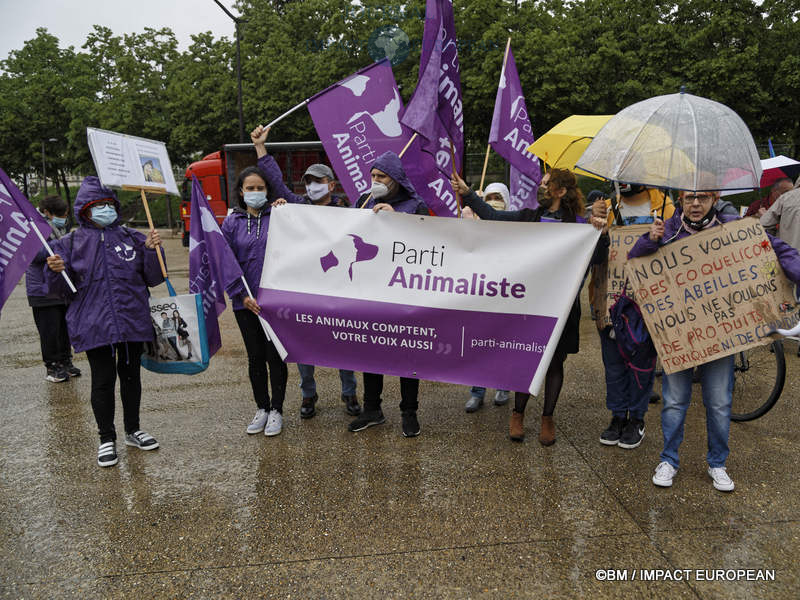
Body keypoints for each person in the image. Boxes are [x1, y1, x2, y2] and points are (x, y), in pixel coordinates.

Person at [630, 188, 800, 491]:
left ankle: (718, 463)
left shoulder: (734, 228)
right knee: (674, 402)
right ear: (681, 199)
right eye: (689, 197)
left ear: (715, 199)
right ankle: (669, 460)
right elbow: (635, 264)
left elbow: (777, 249)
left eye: (703, 197)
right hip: (680, 336)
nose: (696, 203)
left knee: (720, 403)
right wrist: (649, 241)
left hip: (721, 335)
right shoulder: (666, 231)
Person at [451, 168, 610, 445]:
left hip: (563, 307)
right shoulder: (528, 218)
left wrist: (602, 233)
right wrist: (468, 194)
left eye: (547, 184)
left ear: (561, 191)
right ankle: (518, 414)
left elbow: (597, 257)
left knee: (555, 363)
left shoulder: (580, 226)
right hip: (531, 307)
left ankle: (548, 418)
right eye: (541, 183)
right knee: (528, 360)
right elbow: (494, 217)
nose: (541, 187)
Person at [44, 176, 164, 467]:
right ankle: (106, 438)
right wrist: (55, 271)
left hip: (132, 320)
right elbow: (59, 291)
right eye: (98, 205)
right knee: (102, 381)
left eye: (109, 204)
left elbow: (153, 277)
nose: (105, 209)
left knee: (132, 378)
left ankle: (133, 430)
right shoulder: (69, 243)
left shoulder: (132, 237)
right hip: (95, 324)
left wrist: (152, 251)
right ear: (85, 209)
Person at [249, 125, 360, 419]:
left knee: (343, 344)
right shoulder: (297, 206)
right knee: (304, 345)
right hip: (306, 290)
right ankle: (308, 394)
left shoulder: (350, 212)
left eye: (318, 181)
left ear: (331, 185)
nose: (312, 186)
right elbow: (276, 182)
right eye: (308, 182)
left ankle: (349, 393)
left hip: (339, 289)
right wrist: (260, 147)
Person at [347, 151, 430, 438]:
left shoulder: (415, 205)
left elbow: (427, 243)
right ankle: (372, 409)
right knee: (371, 350)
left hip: (405, 291)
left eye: (381, 176)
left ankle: (409, 411)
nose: (375, 181)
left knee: (408, 353)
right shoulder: (364, 201)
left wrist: (398, 220)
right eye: (373, 176)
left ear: (395, 179)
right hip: (372, 289)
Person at [591, 185, 675, 448]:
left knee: (642, 366)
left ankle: (636, 418)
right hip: (609, 299)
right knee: (613, 366)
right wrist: (593, 222)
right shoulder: (605, 208)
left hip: (646, 302)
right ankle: (617, 416)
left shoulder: (665, 208)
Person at [221, 161, 295, 437]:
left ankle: (277, 409)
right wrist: (241, 296)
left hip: (274, 304)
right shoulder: (231, 223)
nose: (255, 192)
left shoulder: (279, 216)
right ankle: (262, 407)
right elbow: (225, 262)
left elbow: (295, 251)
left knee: (275, 356)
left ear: (267, 190)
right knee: (255, 357)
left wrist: (287, 209)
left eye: (260, 188)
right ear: (241, 192)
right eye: (250, 188)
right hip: (245, 303)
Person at [463, 182, 510, 412]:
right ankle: (477, 392)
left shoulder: (515, 227)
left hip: (505, 295)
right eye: (489, 198)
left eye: (497, 198)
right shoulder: (475, 224)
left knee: (503, 343)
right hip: (480, 295)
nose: (493, 202)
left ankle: (503, 386)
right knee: (478, 344)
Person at [26, 195, 79, 382]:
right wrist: (63, 243)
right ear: (47, 212)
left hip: (61, 287)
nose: (63, 218)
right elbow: (34, 254)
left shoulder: (61, 229)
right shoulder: (34, 227)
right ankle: (52, 366)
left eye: (65, 215)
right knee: (50, 331)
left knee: (64, 328)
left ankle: (65, 360)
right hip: (41, 289)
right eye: (60, 215)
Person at [760, 178, 800, 251]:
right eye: (786, 191)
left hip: (790, 254)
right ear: (774, 191)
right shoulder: (758, 204)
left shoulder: (786, 198)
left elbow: (762, 226)